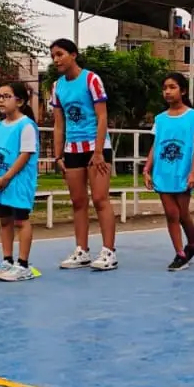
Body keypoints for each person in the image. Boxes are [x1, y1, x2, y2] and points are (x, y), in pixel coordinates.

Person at [48, 39, 118, 271]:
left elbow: (102, 117)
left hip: (96, 146)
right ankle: (82, 250)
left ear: (73, 55)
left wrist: (98, 152)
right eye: (53, 56)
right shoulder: (57, 86)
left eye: (60, 54)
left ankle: (109, 251)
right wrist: (58, 156)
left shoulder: (91, 79)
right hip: (73, 149)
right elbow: (59, 123)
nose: (56, 59)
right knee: (78, 202)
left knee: (100, 199)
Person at [144, 73, 194, 271]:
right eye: (165, 88)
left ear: (183, 90)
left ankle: (192, 244)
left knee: (183, 214)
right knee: (171, 214)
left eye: (172, 87)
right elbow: (156, 145)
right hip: (162, 173)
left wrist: (193, 173)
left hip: (183, 173)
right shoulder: (160, 119)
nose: (167, 91)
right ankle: (180, 254)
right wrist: (147, 169)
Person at [0, 81, 41, 283]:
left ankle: (23, 264)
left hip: (17, 182)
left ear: (19, 101)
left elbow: (25, 154)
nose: (1, 100)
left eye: (6, 96)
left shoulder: (26, 125)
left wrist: (7, 177)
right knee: (4, 220)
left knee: (20, 220)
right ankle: (7, 260)